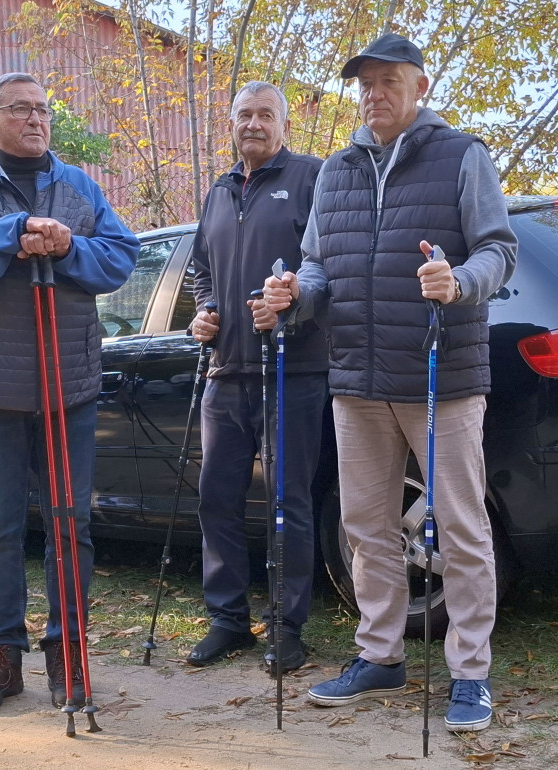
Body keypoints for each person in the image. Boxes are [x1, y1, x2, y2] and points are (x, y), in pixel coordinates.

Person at [259, 33, 517, 733]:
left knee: (461, 530)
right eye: (365, 83)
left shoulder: (463, 157)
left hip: (443, 378)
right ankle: (380, 656)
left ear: (420, 87)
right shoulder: (337, 170)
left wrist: (460, 280)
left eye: (389, 81)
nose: (375, 93)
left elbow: (500, 249)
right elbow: (318, 268)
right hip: (357, 378)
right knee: (365, 527)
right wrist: (294, 292)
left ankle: (470, 673)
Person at [0, 72, 139, 715]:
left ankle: (68, 656)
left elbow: (121, 257)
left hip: (69, 383)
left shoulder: (79, 186)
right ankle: (2, 657)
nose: (35, 119)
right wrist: (8, 235)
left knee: (72, 525)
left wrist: (70, 244)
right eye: (19, 109)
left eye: (42, 109)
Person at [187, 82, 328, 673]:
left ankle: (287, 627)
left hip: (292, 369)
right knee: (215, 497)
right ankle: (228, 620)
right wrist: (204, 310)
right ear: (232, 123)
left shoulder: (312, 179)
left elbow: (329, 266)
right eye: (244, 115)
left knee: (287, 503)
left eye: (264, 115)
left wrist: (292, 302)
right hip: (225, 372)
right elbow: (201, 268)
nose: (253, 124)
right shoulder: (219, 190)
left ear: (283, 124)